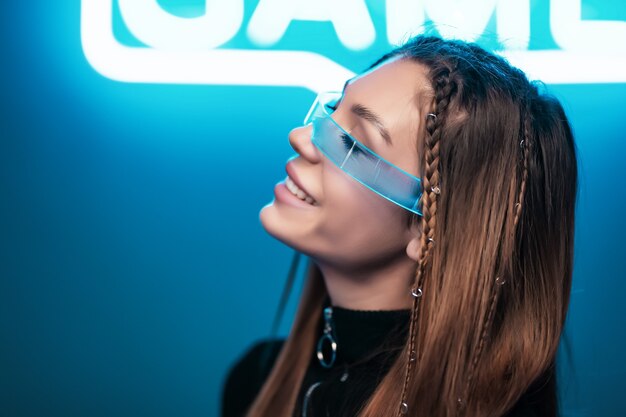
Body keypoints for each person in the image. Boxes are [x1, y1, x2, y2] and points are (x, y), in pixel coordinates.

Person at [221, 34, 578, 417]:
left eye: (353, 144)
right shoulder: (257, 378)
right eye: (332, 107)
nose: (302, 137)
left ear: (427, 230)